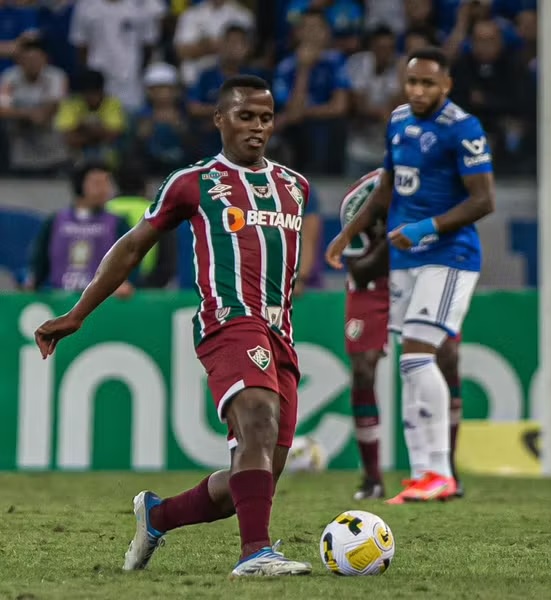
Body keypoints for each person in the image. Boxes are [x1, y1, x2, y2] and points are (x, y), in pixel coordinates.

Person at [33, 74, 314, 577]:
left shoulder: (295, 186)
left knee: (254, 476)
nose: (256, 127)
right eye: (245, 116)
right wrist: (78, 313)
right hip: (229, 321)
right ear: (219, 119)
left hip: (280, 331)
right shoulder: (194, 182)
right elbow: (133, 246)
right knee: (256, 417)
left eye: (265, 117)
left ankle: (157, 515)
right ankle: (256, 553)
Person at [326, 46, 495, 504]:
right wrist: (349, 234)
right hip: (407, 262)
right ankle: (425, 474)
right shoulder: (399, 121)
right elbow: (386, 185)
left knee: (420, 355)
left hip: (449, 256)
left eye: (427, 83)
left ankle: (440, 470)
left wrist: (425, 228)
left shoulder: (463, 129)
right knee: (409, 362)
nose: (418, 91)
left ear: (446, 86)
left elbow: (484, 200)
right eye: (412, 82)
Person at [339, 168, 466, 501]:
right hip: (374, 283)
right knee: (364, 367)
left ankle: (445, 471)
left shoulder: (443, 191)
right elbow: (360, 269)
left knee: (448, 357)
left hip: (427, 274)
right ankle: (372, 479)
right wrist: (398, 240)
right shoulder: (357, 201)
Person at [25, 160, 134, 297]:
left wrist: (127, 283)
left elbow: (130, 258)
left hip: (103, 303)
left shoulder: (118, 223)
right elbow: (40, 260)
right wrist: (33, 283)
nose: (104, 189)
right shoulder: (56, 221)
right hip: (61, 299)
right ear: (80, 185)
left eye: (108, 182)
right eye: (97, 183)